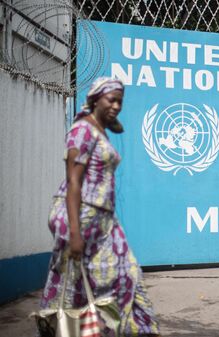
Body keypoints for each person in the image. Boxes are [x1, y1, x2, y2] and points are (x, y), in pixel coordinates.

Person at [40, 77, 160, 336]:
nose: (117, 106)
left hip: (104, 220)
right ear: (96, 99)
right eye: (111, 99)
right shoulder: (82, 130)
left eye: (120, 101)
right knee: (78, 285)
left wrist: (107, 115)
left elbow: (117, 128)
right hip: (81, 216)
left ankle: (123, 330)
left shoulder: (99, 129)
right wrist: (74, 232)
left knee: (126, 275)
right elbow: (73, 180)